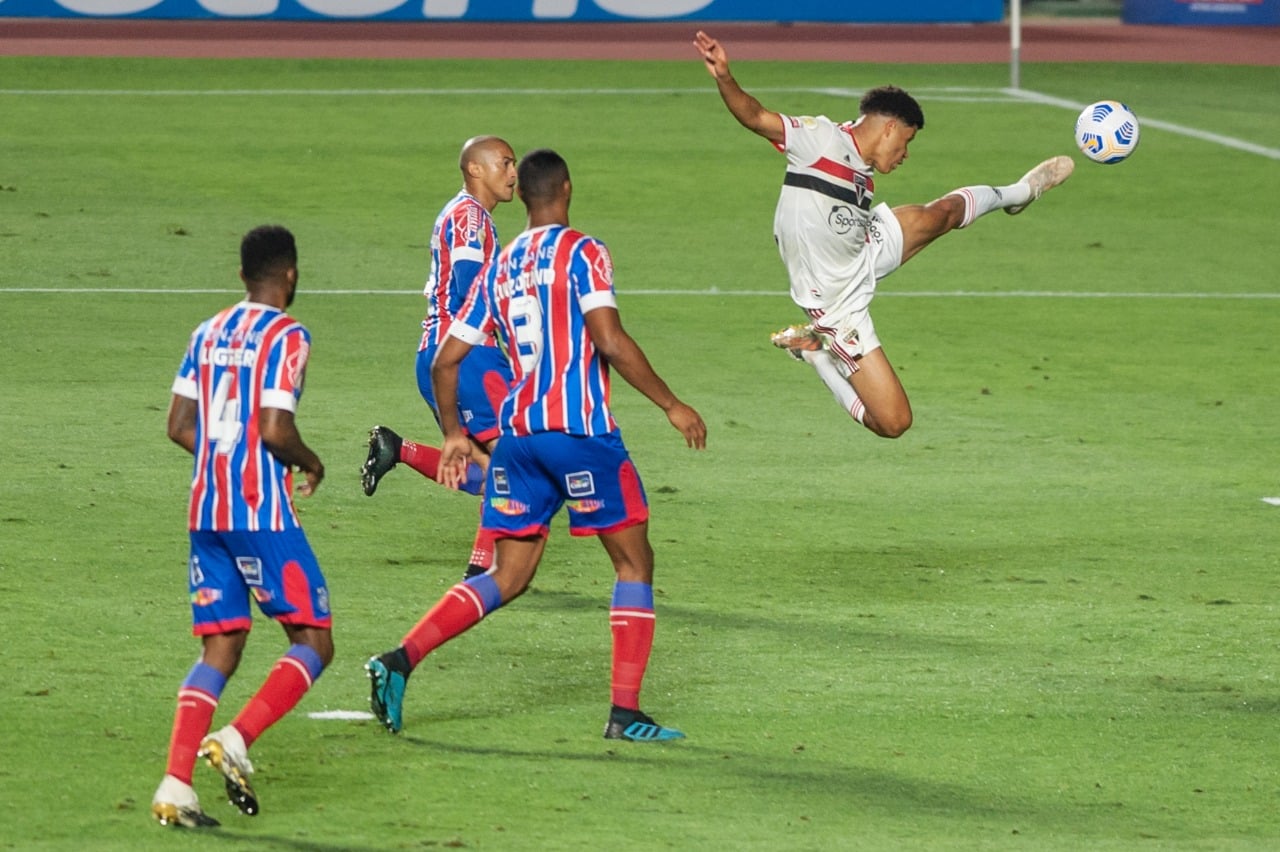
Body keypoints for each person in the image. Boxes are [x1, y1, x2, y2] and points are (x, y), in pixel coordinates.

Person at [366, 148, 707, 741]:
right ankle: (624, 713)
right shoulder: (584, 251)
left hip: (520, 438)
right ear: (567, 189)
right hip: (580, 435)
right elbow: (610, 341)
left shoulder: (502, 264)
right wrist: (671, 404)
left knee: (509, 573)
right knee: (633, 561)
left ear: (522, 195)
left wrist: (452, 433)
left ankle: (398, 660)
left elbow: (448, 358)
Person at [693, 30, 1074, 438]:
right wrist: (724, 77)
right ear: (890, 128)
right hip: (837, 302)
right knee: (894, 422)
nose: (905, 155)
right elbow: (754, 116)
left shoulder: (864, 168)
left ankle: (1020, 192)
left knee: (940, 214)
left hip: (862, 247)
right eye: (906, 143)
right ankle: (818, 354)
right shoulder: (818, 139)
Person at [151, 225, 333, 828]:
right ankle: (236, 738)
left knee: (222, 645)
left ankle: (176, 785)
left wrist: (221, 460)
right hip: (260, 511)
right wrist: (309, 463)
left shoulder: (207, 331)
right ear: (292, 275)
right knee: (313, 641)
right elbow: (275, 427)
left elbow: (179, 424)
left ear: (240, 276)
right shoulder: (289, 335)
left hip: (206, 508)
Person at [360, 135, 518, 581]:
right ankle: (480, 572)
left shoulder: (463, 213)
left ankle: (399, 450)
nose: (513, 173)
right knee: (513, 460)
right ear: (475, 170)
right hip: (467, 356)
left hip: (436, 353)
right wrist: (514, 336)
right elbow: (472, 287)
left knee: (485, 471)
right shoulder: (471, 219)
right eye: (504, 163)